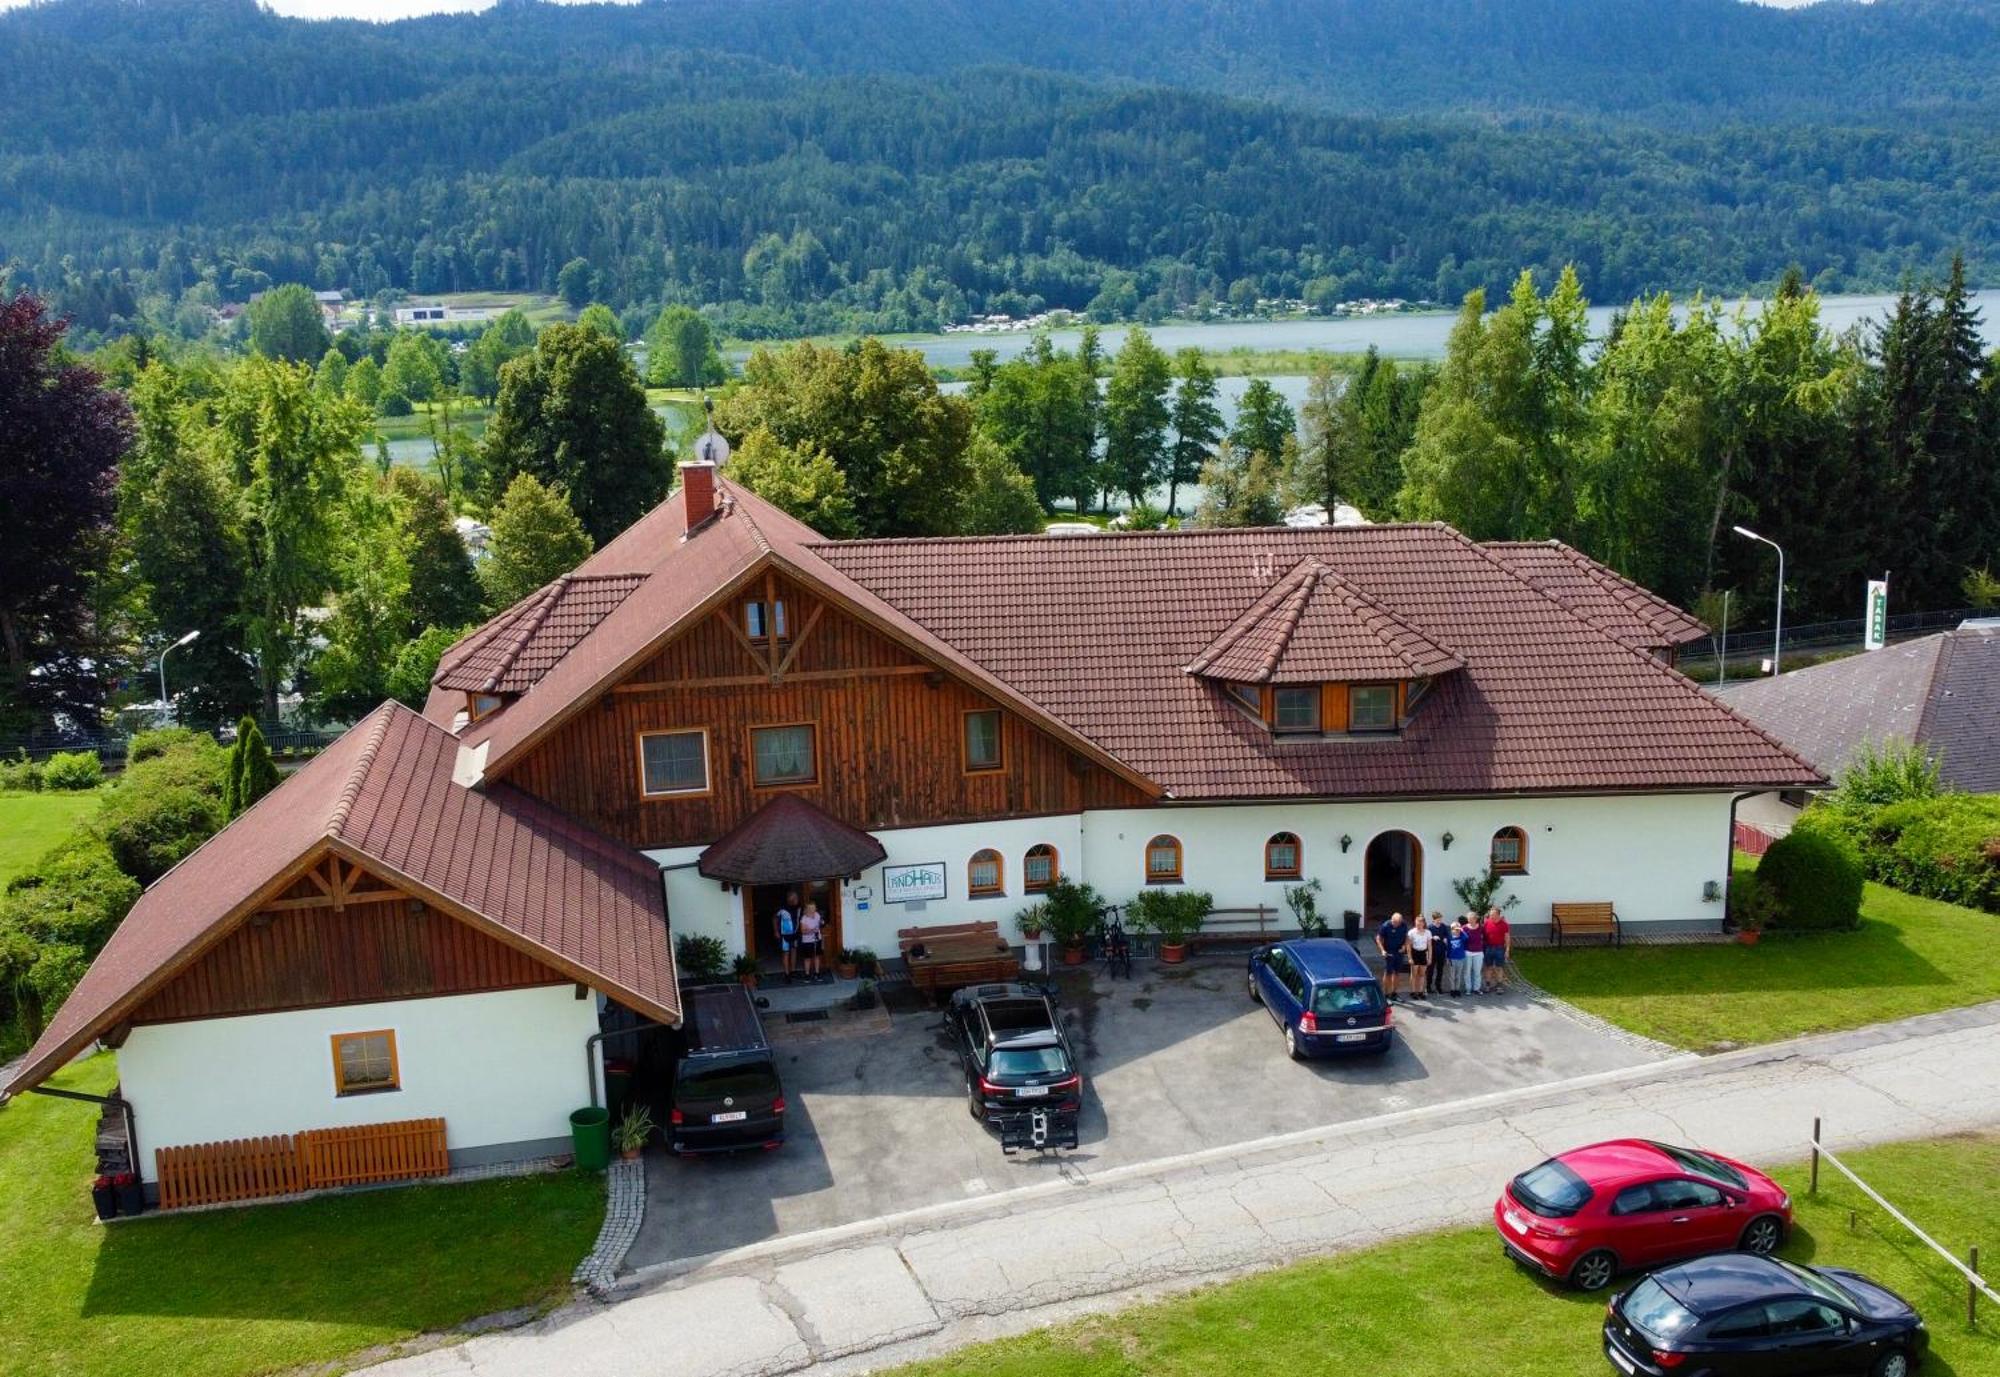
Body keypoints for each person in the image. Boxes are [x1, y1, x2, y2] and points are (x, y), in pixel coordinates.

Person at [1376, 911, 1409, 1001]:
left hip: (1399, 952)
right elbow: (1378, 938)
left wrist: (1404, 946)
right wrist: (1382, 950)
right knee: (1388, 973)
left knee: (1397, 973)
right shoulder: (1385, 926)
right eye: (1395, 922)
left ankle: (1394, 994)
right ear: (1392, 920)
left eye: (1398, 923)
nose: (1396, 924)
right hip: (1389, 952)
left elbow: (1406, 937)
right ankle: (1386, 994)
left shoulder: (1404, 925)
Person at [1483, 907, 1512, 993]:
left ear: (1498, 915)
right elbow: (1483, 936)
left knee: (1499, 968)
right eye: (1490, 914)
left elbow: (1507, 938)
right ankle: (1488, 985)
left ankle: (1499, 986)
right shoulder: (1486, 922)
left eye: (1493, 914)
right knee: (1488, 967)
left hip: (1499, 948)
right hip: (1488, 948)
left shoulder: (1504, 924)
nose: (1491, 916)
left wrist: (1507, 950)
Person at [773, 890, 799, 983]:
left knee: (794, 952)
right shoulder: (782, 908)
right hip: (784, 935)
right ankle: (786, 974)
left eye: (797, 898)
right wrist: (776, 931)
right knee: (786, 953)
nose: (797, 899)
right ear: (789, 899)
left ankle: (793, 971)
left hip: (795, 934)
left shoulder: (799, 907)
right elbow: (775, 919)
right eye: (795, 898)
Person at [1405, 913, 1432, 1000]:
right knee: (1414, 974)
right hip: (1414, 953)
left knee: (1422, 974)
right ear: (1415, 922)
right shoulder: (1411, 932)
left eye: (1421, 922)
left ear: (1424, 923)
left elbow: (1430, 946)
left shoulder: (1428, 932)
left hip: (1423, 953)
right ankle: (1413, 992)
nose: (1419, 924)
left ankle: (1420, 991)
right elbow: (1408, 946)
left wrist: (1429, 957)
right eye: (1417, 922)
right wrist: (1409, 958)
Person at [798, 898, 825, 981]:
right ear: (807, 909)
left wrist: (822, 923)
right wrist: (812, 930)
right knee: (807, 958)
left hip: (817, 939)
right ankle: (807, 975)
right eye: (811, 908)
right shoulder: (804, 918)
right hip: (807, 941)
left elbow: (821, 924)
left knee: (817, 957)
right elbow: (803, 931)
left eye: (814, 908)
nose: (813, 910)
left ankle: (817, 973)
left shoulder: (817, 915)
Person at [1461, 909, 1485, 995]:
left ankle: (1476, 988)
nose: (1469, 920)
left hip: (1478, 952)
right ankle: (1468, 989)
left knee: (1477, 971)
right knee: (1467, 971)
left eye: (1471, 918)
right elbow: (1460, 939)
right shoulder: (1464, 928)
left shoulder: (1481, 927)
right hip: (1467, 952)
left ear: (1475, 919)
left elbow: (1485, 938)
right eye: (1468, 918)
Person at [1425, 910, 1448, 995]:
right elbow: (1426, 938)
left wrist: (1445, 938)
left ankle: (1438, 986)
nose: (1439, 921)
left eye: (1440, 919)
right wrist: (1432, 937)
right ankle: (1428, 987)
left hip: (1441, 951)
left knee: (1440, 970)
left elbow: (1446, 935)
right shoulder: (1430, 927)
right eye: (1438, 919)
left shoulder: (1443, 926)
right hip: (1433, 952)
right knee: (1430, 970)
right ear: (1433, 919)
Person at [1445, 918, 1468, 996]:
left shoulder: (1461, 936)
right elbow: (1448, 948)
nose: (1456, 931)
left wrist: (1461, 930)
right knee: (1452, 975)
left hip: (1461, 958)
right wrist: (1447, 958)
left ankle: (1457, 989)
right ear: (1451, 930)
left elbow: (1466, 937)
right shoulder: (1449, 937)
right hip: (1452, 959)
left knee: (1458, 975)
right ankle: (1452, 989)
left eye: (1458, 929)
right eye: (1455, 929)